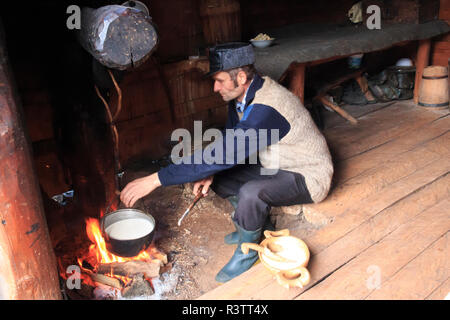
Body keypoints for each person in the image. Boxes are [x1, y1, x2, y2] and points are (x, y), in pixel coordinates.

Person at [120, 42, 333, 283]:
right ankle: (253, 227)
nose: (214, 88)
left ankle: (248, 250)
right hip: (276, 164)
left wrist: (156, 179)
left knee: (252, 192)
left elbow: (223, 153)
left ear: (241, 77)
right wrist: (211, 172)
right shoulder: (241, 98)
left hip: (307, 174)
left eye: (220, 80)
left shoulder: (267, 108)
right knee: (218, 178)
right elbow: (229, 146)